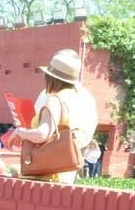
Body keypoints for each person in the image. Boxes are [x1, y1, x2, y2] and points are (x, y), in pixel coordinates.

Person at [15, 49, 97, 184]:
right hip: (66, 169)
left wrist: (20, 132)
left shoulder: (54, 99)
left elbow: (43, 134)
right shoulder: (85, 98)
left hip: (45, 171)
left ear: (51, 78)